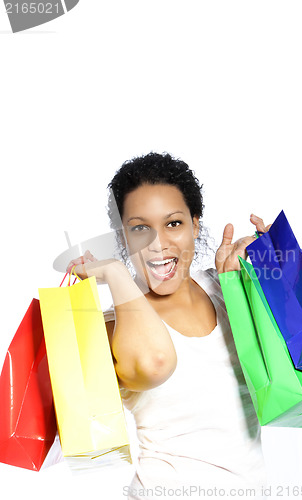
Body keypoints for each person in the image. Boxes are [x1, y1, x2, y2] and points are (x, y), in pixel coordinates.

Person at [67, 152, 271, 499]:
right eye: (139, 228)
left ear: (195, 224)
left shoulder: (224, 289)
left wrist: (274, 271)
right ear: (123, 236)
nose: (158, 244)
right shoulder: (113, 324)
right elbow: (153, 364)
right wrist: (116, 273)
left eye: (173, 223)